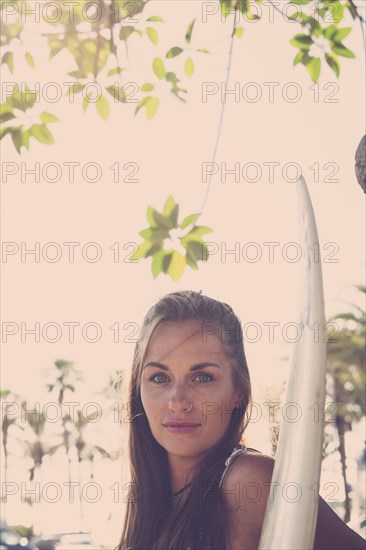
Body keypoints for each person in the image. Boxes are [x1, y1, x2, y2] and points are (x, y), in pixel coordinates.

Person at [116, 290, 365, 550]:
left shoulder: (248, 482)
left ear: (239, 391)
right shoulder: (152, 503)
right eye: (159, 377)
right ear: (138, 389)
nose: (178, 402)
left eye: (202, 377)